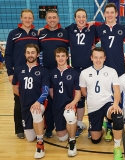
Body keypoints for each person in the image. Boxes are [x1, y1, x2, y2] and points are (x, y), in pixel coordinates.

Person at [80, 47, 124, 160]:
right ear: (91, 58)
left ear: (104, 58)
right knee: (95, 140)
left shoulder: (111, 71)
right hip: (93, 108)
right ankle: (104, 128)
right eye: (95, 57)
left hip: (107, 103)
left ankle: (117, 147)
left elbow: (117, 90)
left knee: (118, 116)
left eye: (100, 57)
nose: (98, 60)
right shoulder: (84, 73)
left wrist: (115, 104)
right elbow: (84, 92)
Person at [95, 3, 125, 142]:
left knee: (117, 97)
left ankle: (116, 122)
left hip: (119, 68)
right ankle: (108, 125)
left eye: (111, 12)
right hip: (103, 70)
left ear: (116, 14)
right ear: (104, 14)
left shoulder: (123, 29)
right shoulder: (99, 29)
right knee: (105, 97)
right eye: (106, 12)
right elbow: (92, 43)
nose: (109, 15)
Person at [5, 9, 39, 139]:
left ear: (33, 19)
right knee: (18, 100)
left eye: (30, 18)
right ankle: (19, 129)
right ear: (21, 18)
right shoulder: (13, 34)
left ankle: (35, 125)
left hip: (34, 71)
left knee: (34, 99)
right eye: (25, 17)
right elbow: (8, 54)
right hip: (19, 73)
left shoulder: (36, 34)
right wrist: (10, 72)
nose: (27, 20)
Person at [12, 44, 49, 158]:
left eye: (33, 52)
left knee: (36, 112)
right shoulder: (18, 69)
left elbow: (46, 91)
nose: (30, 55)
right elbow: (15, 89)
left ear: (38, 54)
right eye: (28, 52)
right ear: (25, 54)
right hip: (24, 105)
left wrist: (37, 102)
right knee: (29, 138)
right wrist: (25, 98)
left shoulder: (43, 70)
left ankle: (40, 143)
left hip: (40, 103)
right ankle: (39, 126)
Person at [65, 8, 96, 137]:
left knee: (92, 98)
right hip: (76, 69)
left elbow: (104, 24)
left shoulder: (92, 29)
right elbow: (55, 31)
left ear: (86, 18)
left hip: (90, 69)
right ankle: (78, 124)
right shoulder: (69, 29)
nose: (81, 19)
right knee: (79, 99)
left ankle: (93, 125)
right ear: (75, 18)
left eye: (84, 17)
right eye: (79, 17)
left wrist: (94, 23)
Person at [39, 9, 69, 138]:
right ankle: (49, 127)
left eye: (54, 17)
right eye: (49, 17)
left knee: (63, 98)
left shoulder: (65, 33)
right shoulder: (41, 34)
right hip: (47, 71)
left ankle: (66, 124)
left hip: (62, 71)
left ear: (58, 19)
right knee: (49, 100)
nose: (52, 20)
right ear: (46, 19)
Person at [49, 47, 80, 157]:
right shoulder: (52, 73)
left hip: (69, 104)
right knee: (62, 138)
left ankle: (72, 141)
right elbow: (51, 92)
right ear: (55, 58)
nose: (60, 58)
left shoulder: (74, 73)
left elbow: (78, 93)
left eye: (63, 56)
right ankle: (71, 128)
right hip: (57, 106)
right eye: (58, 56)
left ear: (67, 57)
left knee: (69, 114)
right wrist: (58, 101)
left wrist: (73, 103)